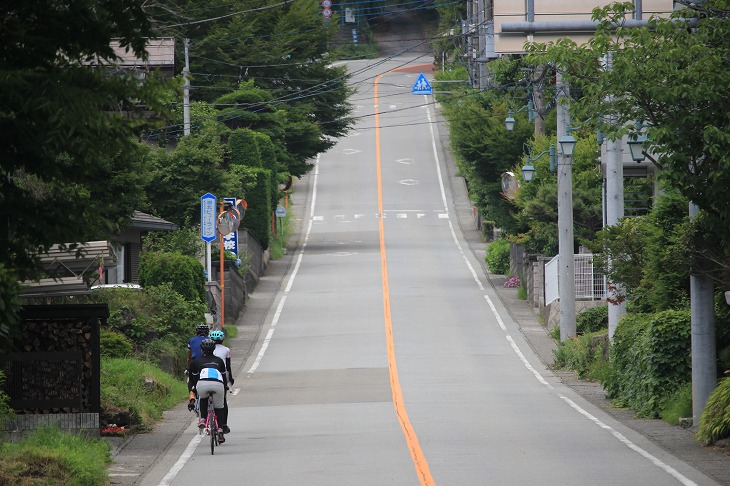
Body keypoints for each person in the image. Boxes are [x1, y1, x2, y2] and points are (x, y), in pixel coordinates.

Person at [188, 338, 228, 443]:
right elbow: (224, 378)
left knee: (203, 398)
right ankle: (220, 429)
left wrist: (193, 394)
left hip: (202, 384)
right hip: (218, 384)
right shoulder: (219, 361)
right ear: (214, 349)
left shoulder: (196, 362)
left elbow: (194, 380)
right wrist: (225, 389)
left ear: (201, 350)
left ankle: (203, 419)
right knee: (220, 406)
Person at [210, 329, 233, 434]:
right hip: (221, 377)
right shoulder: (226, 350)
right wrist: (230, 380)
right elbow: (228, 367)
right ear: (222, 340)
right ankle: (223, 424)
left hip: (206, 376)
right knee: (223, 402)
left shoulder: (207, 350)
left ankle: (204, 418)